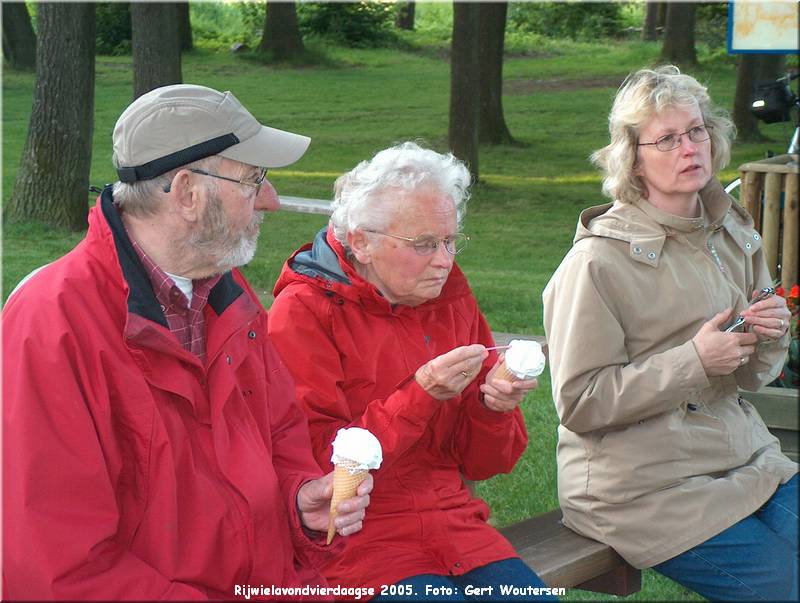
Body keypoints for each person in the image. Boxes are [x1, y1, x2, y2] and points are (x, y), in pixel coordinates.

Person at [2, 84, 373, 600]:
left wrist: (299, 502)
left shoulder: (226, 295)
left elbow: (282, 439)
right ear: (187, 193)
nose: (270, 199)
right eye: (252, 179)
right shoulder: (54, 324)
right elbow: (59, 568)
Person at [542, 65, 797, 602]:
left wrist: (769, 330)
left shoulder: (731, 228)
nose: (689, 148)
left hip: (743, 459)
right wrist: (695, 361)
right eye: (667, 139)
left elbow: (751, 374)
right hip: (643, 491)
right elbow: (580, 402)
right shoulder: (596, 263)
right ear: (632, 157)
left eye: (697, 131)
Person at [267, 142, 554, 601]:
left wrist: (493, 407)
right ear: (361, 241)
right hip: (358, 543)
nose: (444, 259)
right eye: (424, 244)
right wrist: (421, 394)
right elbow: (318, 469)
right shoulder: (303, 312)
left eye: (450, 240)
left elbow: (488, 463)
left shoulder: (451, 299)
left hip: (457, 528)